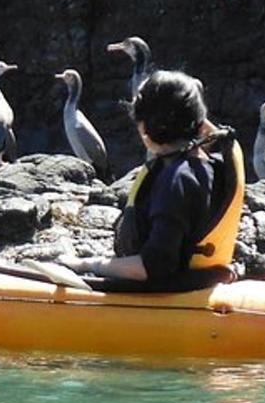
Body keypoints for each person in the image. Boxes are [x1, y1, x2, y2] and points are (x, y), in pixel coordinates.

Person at [58, 69, 240, 289]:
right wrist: (190, 106)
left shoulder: (176, 181)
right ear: (199, 122)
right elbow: (213, 133)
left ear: (146, 127)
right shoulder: (214, 165)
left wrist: (86, 264)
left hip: (162, 295)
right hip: (196, 283)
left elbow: (152, 267)